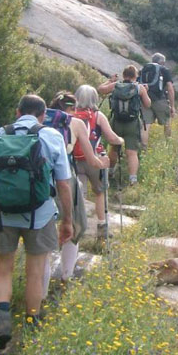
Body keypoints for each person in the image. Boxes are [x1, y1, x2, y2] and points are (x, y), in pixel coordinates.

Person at [0, 94, 73, 349]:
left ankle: (3, 320)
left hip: (2, 214)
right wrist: (67, 221)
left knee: (2, 268)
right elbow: (63, 183)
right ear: (43, 115)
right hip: (39, 215)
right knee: (35, 271)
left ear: (18, 112)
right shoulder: (52, 136)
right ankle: (32, 322)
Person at [43, 91, 110, 292]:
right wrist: (104, 162)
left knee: (43, 234)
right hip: (66, 179)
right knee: (75, 225)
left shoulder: (41, 122)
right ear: (73, 108)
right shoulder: (77, 123)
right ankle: (66, 276)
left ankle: (42, 291)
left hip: (39, 180)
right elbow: (91, 159)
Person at [73, 84, 122, 234]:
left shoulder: (71, 115)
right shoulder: (98, 115)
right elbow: (111, 137)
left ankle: (77, 227)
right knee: (100, 192)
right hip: (95, 159)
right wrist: (120, 141)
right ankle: (101, 226)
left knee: (79, 194)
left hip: (74, 160)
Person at [100, 65, 151, 185]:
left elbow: (101, 89)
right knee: (132, 152)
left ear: (124, 75)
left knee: (113, 148)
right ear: (136, 76)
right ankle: (133, 179)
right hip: (132, 123)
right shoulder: (139, 88)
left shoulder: (116, 85)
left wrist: (110, 80)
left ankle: (110, 172)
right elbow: (148, 104)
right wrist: (145, 91)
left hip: (116, 121)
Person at [138, 53, 175, 147]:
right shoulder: (164, 70)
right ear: (162, 61)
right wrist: (172, 106)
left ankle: (143, 149)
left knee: (146, 125)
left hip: (145, 99)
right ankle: (168, 145)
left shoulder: (143, 70)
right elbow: (170, 88)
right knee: (167, 122)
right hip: (159, 100)